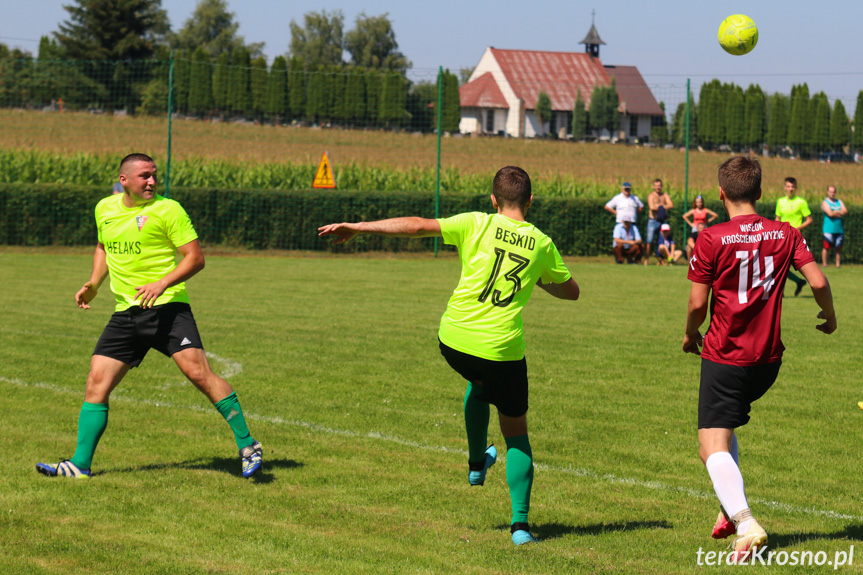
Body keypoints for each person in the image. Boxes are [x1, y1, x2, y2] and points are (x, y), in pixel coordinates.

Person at [318, 166, 580, 545]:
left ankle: (477, 464)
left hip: (454, 341)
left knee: (478, 382)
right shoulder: (541, 244)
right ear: (531, 201)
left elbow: (416, 225)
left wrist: (358, 227)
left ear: (493, 200)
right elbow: (571, 291)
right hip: (501, 350)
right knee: (516, 433)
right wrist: (538, 277)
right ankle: (520, 527)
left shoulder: (475, 223)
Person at [36, 153, 262, 479]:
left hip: (168, 308)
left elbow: (195, 258)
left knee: (199, 374)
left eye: (154, 175)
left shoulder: (168, 209)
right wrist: (94, 284)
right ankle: (79, 465)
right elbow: (103, 246)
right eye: (144, 176)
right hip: (126, 313)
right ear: (124, 180)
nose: (152, 181)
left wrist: (163, 282)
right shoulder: (105, 209)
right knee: (96, 383)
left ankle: (248, 444)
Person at [683, 156, 836, 564]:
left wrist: (689, 333)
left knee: (709, 445)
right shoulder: (785, 233)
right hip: (767, 360)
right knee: (727, 428)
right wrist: (830, 315)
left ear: (720, 193)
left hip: (726, 355)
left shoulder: (712, 237)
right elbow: (818, 281)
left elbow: (698, 304)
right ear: (761, 192)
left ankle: (746, 522)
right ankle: (729, 509)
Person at [775, 177, 812, 296]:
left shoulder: (801, 202)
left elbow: (809, 220)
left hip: (795, 238)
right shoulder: (780, 201)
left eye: (792, 187)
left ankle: (784, 290)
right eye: (788, 186)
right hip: (782, 237)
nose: (790, 189)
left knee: (783, 264)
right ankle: (797, 282)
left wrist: (796, 229)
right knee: (780, 264)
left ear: (796, 188)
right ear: (784, 188)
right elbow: (777, 219)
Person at [644, 178, 674, 265]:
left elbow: (671, 205)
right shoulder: (651, 196)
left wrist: (660, 206)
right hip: (653, 221)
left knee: (662, 241)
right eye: (656, 186)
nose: (658, 187)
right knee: (649, 241)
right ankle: (646, 259)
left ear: (661, 186)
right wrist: (663, 206)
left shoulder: (665, 195)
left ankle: (662, 260)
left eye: (659, 186)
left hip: (662, 221)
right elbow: (652, 207)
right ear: (653, 186)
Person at [683, 195, 719, 260]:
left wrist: (707, 221)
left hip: (704, 228)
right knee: (691, 242)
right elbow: (684, 216)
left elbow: (715, 215)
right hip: (695, 228)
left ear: (702, 202)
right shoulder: (693, 211)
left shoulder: (705, 210)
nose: (699, 203)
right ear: (695, 203)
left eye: (700, 202)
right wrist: (691, 224)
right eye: (697, 202)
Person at [821, 185, 847, 268]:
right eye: (830, 191)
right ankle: (825, 264)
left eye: (833, 192)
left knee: (838, 248)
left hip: (839, 229)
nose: (832, 193)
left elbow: (845, 211)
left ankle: (838, 265)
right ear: (827, 192)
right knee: (826, 247)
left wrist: (834, 211)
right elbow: (830, 214)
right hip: (828, 229)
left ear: (835, 192)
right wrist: (839, 212)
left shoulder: (839, 201)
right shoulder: (825, 202)